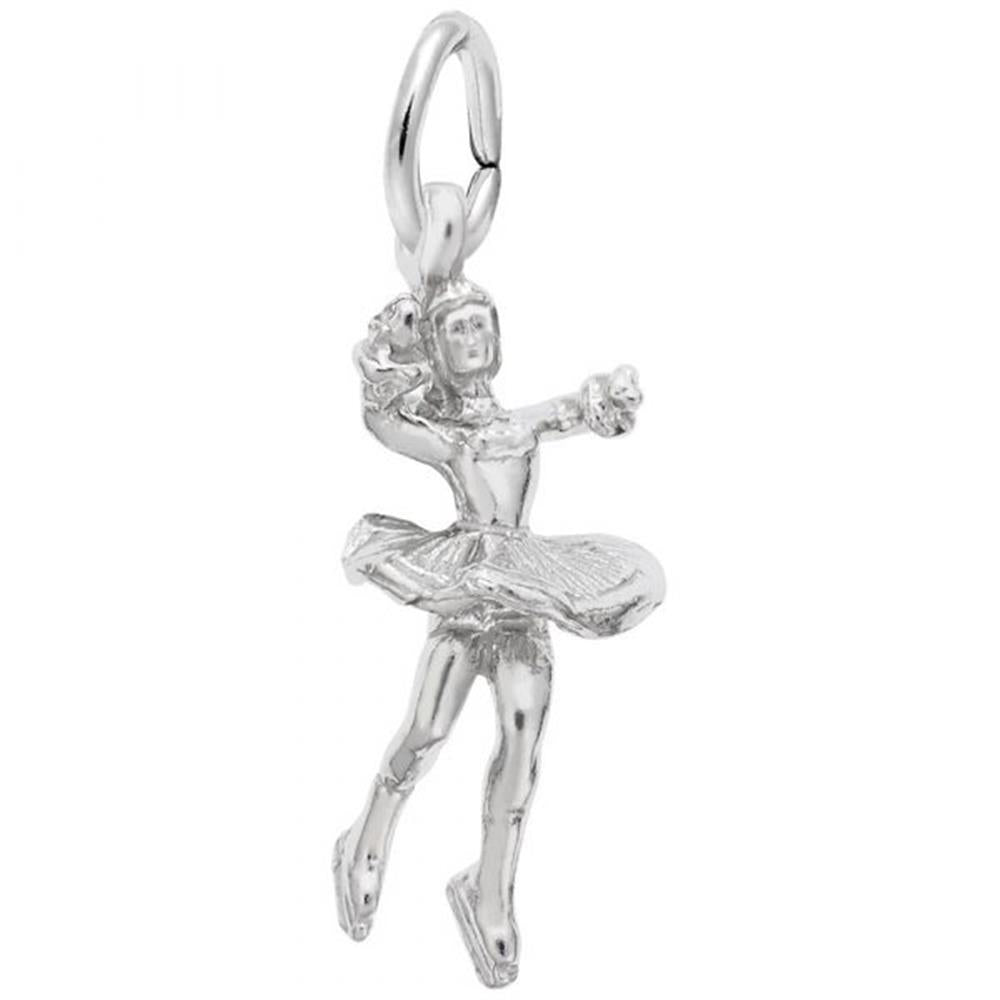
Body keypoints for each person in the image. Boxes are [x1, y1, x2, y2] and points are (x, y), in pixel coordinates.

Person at [333, 278, 665, 987]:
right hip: (465, 597)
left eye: (480, 324)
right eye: (455, 329)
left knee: (521, 748)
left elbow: (576, 410)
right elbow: (383, 420)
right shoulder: (444, 438)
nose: (472, 337)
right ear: (438, 348)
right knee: (425, 732)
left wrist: (608, 400)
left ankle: (488, 891)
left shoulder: (519, 424)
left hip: (525, 595)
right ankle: (365, 839)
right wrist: (388, 348)